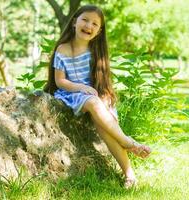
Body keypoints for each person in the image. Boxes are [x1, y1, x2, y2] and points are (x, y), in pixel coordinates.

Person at [44, 5, 151, 188]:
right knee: (94, 102)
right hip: (71, 93)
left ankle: (130, 175)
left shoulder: (96, 51)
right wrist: (81, 88)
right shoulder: (63, 49)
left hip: (94, 96)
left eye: (95, 23)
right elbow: (60, 81)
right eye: (85, 20)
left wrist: (105, 97)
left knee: (105, 127)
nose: (89, 25)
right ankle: (128, 142)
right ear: (74, 22)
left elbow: (101, 83)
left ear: (99, 31)